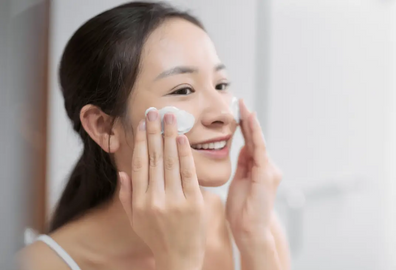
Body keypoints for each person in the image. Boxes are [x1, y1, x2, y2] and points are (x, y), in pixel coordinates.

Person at [18, 2, 290, 269]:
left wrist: (254, 241)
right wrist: (178, 260)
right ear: (103, 126)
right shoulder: (39, 264)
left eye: (221, 84)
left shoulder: (252, 226)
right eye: (183, 90)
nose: (224, 114)